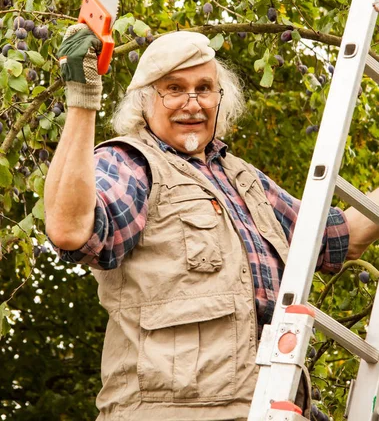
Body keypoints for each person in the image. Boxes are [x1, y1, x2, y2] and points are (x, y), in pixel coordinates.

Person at [45, 27, 379, 421]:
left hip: (267, 409)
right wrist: (83, 102)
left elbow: (338, 237)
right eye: (174, 88)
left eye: (205, 88)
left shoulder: (243, 179)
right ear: (145, 101)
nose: (193, 103)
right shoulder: (132, 163)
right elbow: (70, 230)